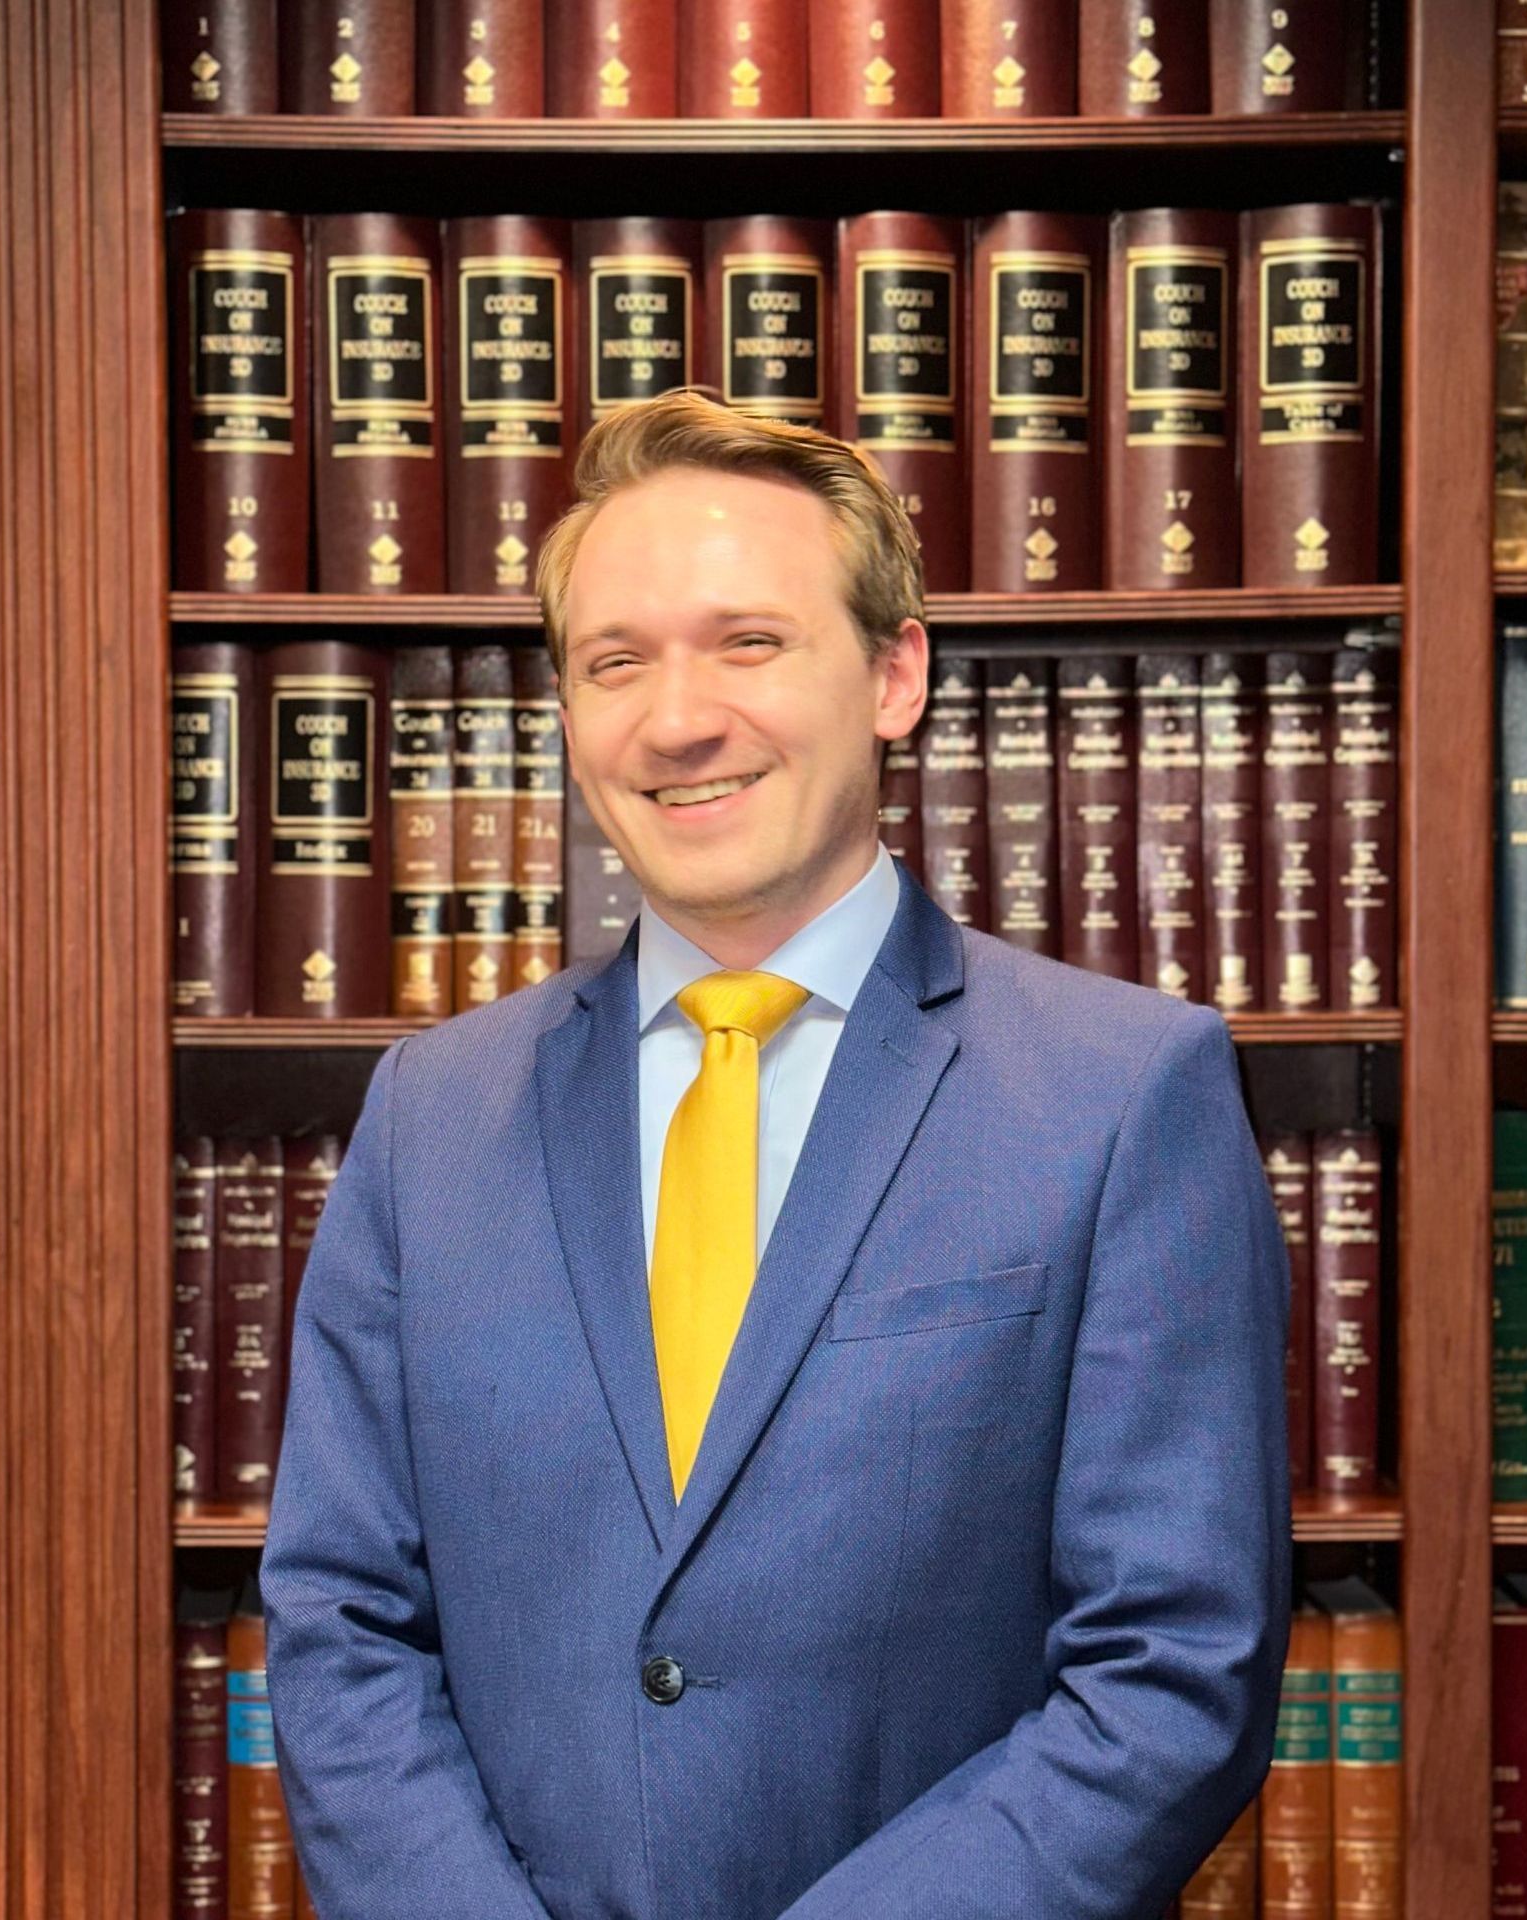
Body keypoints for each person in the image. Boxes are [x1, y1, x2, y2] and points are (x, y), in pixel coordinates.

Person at [260, 388, 1290, 1920]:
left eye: (749, 642)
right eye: (615, 662)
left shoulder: (1126, 1093)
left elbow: (1173, 1674)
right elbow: (342, 1621)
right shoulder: (431, 1114)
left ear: (894, 673)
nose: (678, 717)